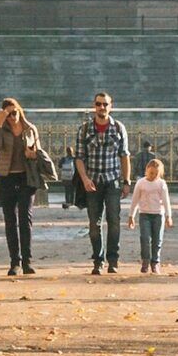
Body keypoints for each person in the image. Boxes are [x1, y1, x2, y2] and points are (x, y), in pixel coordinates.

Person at [0, 96, 50, 275]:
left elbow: (38, 152)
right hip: (6, 178)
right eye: (8, 115)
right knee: (10, 220)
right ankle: (15, 261)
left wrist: (33, 155)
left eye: (15, 112)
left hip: (26, 178)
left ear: (20, 110)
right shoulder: (2, 129)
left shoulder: (30, 129)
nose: (13, 117)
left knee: (25, 218)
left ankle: (27, 261)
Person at [71, 94, 136, 275]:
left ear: (111, 106)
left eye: (105, 104)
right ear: (94, 106)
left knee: (114, 221)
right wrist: (84, 178)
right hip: (92, 182)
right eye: (98, 104)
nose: (102, 107)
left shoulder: (118, 128)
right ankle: (97, 260)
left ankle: (113, 260)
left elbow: (124, 156)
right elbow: (79, 158)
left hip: (112, 181)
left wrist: (126, 181)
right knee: (94, 223)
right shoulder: (84, 129)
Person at [129, 158, 173, 272]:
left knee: (157, 239)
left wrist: (169, 216)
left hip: (158, 215)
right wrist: (131, 216)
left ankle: (155, 262)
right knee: (145, 238)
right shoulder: (141, 183)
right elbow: (135, 199)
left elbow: (166, 200)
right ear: (147, 170)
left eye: (156, 174)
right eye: (151, 173)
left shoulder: (161, 184)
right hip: (144, 214)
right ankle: (145, 261)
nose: (153, 175)